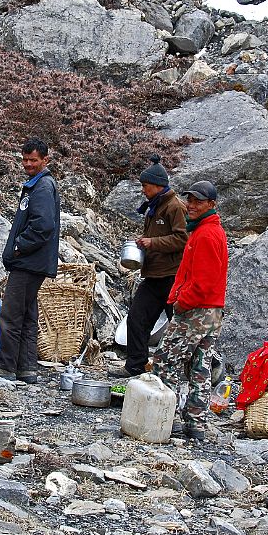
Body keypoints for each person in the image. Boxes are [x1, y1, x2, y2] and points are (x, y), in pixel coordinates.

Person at [150, 180, 227, 442]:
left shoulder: (205, 234)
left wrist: (181, 302)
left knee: (165, 361)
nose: (192, 205)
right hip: (213, 312)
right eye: (190, 200)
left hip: (196, 310)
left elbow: (203, 281)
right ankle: (195, 423)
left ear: (211, 205)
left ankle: (167, 419)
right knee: (200, 367)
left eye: (198, 201)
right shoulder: (208, 231)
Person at [0, 138, 60, 385]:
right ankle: (26, 368)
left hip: (28, 263)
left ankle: (5, 366)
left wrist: (18, 246)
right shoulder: (37, 186)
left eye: (33, 160)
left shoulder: (43, 187)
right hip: (33, 263)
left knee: (11, 314)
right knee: (26, 315)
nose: (27, 164)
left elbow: (43, 225)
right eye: (24, 159)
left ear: (45, 160)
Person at [110, 154, 188, 379]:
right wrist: (144, 240)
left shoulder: (174, 207)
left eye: (145, 186)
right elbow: (160, 235)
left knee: (180, 326)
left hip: (172, 276)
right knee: (137, 318)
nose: (143, 190)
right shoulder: (155, 207)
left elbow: (183, 239)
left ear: (157, 185)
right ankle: (135, 365)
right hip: (154, 275)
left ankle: (191, 370)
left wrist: (152, 242)